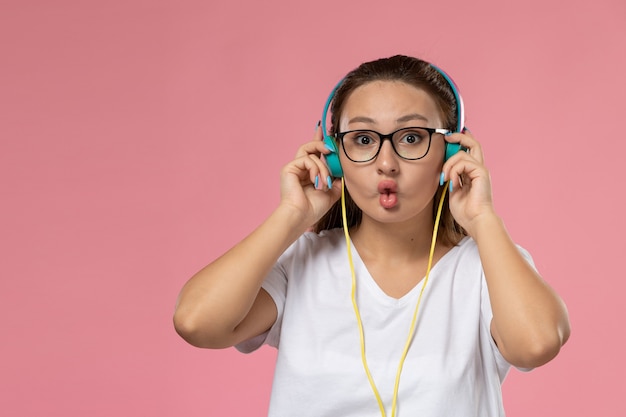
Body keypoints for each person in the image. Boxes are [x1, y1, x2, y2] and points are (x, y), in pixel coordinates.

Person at [173, 55, 570, 417]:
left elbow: (536, 343)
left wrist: (483, 217)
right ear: (332, 154)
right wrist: (292, 215)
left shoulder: (487, 267)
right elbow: (196, 322)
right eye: (363, 140)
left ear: (452, 151)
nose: (386, 163)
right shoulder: (300, 264)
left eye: (411, 137)